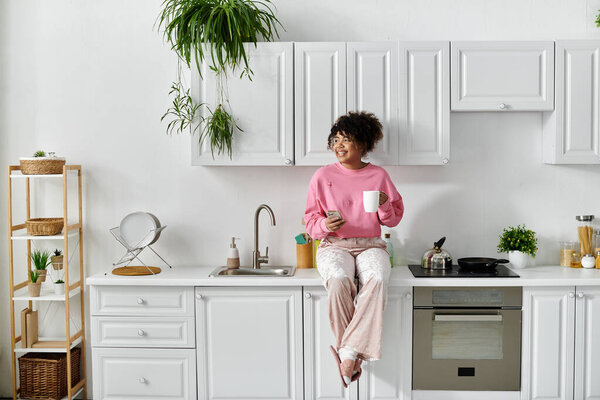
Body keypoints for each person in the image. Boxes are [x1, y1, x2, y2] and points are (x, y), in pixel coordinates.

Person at [303, 111, 404, 387]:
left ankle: (347, 353)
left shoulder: (378, 176)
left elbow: (393, 218)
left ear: (362, 144)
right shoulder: (322, 177)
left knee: (379, 278)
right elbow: (310, 222)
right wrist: (324, 223)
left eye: (345, 140)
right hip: (334, 244)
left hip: (371, 244)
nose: (339, 145)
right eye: (335, 140)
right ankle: (353, 356)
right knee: (337, 281)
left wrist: (383, 203)